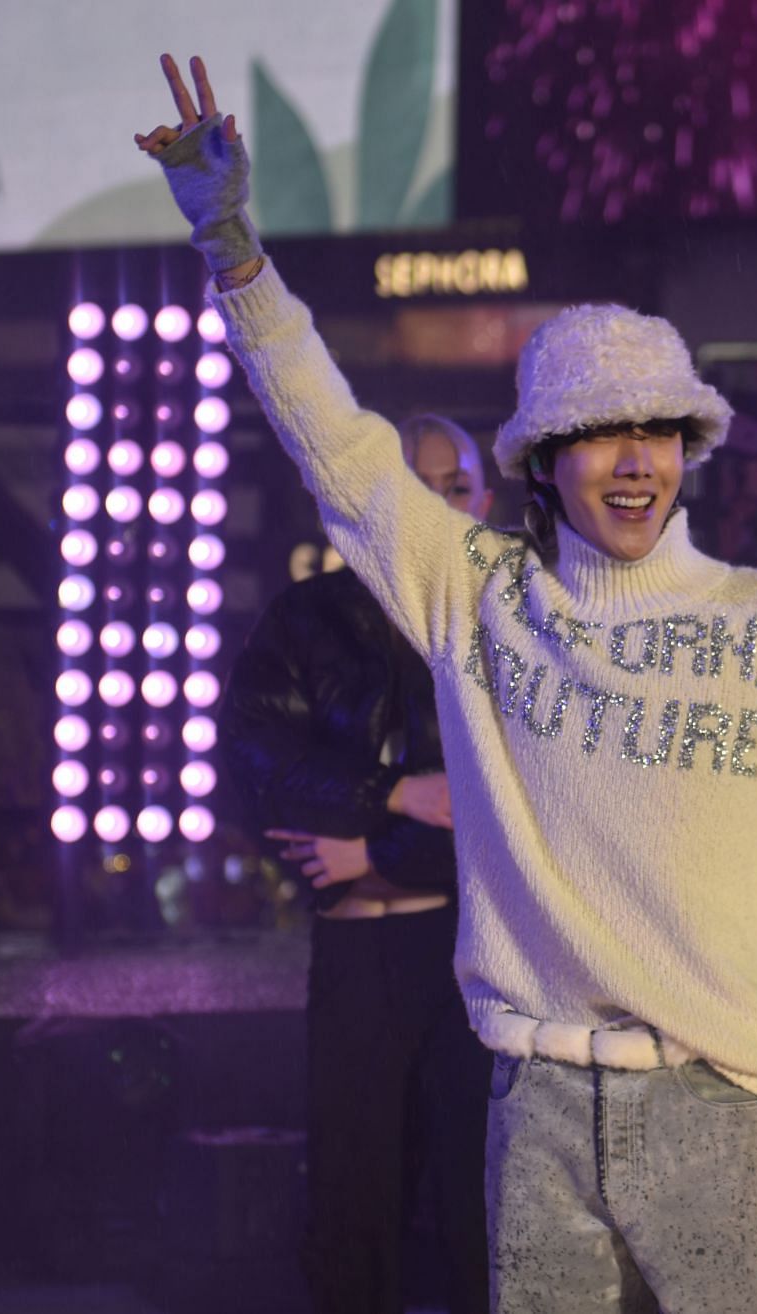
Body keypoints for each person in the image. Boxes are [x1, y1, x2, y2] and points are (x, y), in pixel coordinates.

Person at [137, 54, 757, 1313]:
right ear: (544, 462)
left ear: (691, 447)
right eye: (598, 435)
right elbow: (338, 444)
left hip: (728, 1114)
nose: (633, 464)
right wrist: (234, 247)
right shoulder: (482, 596)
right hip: (534, 1115)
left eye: (659, 433)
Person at [220, 415, 495, 1314]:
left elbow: (504, 809)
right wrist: (392, 793)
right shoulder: (308, 618)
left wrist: (369, 848)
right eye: (420, 484)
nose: (438, 504)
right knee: (351, 1206)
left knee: (472, 1207)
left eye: (456, 486)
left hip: (470, 957)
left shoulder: (504, 623)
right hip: (359, 956)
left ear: (484, 499)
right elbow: (264, 777)